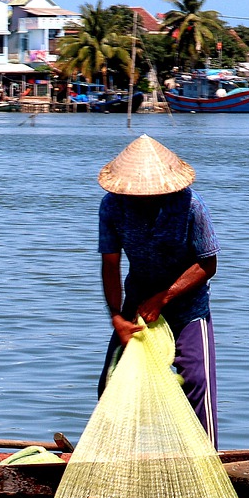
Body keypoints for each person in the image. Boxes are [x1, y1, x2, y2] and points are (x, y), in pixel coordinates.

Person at [96, 134, 220, 447]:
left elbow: (207, 265)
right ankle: (115, 457)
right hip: (137, 306)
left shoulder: (191, 205)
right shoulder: (112, 207)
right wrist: (115, 316)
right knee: (111, 384)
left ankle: (206, 460)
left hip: (188, 309)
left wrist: (164, 297)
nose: (145, 198)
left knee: (197, 382)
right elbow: (111, 265)